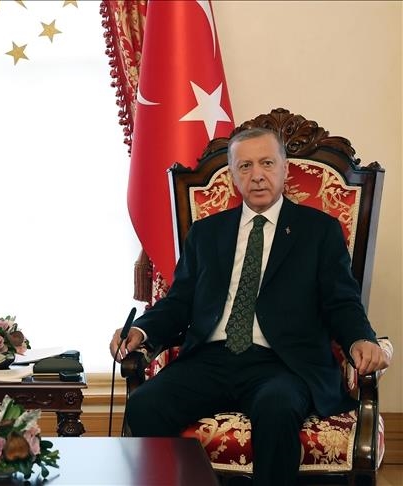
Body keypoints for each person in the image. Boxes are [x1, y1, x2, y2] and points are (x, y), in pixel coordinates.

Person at [109, 127, 390, 486]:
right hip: (211, 359)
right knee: (145, 404)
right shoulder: (206, 233)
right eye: (245, 166)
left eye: (267, 163)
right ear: (233, 175)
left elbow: (341, 301)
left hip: (283, 363)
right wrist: (141, 330)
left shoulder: (318, 231)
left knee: (277, 408)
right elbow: (179, 302)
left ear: (285, 169)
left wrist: (360, 339)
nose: (257, 175)